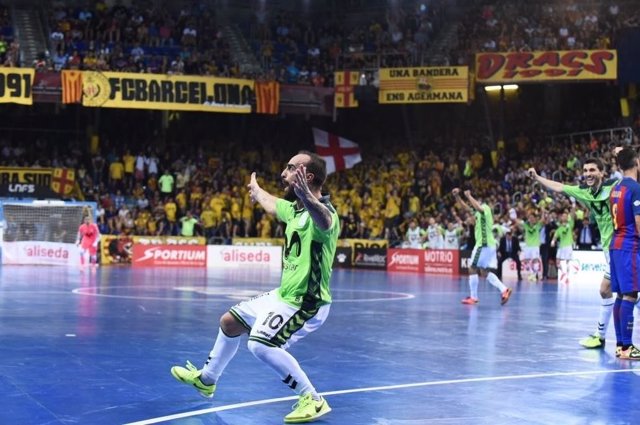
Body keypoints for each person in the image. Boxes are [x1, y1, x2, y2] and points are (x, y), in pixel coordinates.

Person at [171, 150, 338, 423]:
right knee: (229, 322)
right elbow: (273, 205)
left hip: (307, 301)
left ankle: (313, 399)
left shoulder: (324, 213)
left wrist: (307, 196)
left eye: (290, 168)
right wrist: (257, 191)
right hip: (284, 295)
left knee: (260, 344)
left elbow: (325, 221)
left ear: (307, 177)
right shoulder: (293, 209)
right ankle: (207, 379)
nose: (283, 174)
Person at [528, 156, 619, 349]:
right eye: (585, 171)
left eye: (592, 170)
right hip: (608, 249)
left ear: (602, 172)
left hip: (620, 246)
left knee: (614, 291)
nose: (588, 174)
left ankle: (601, 336)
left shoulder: (615, 186)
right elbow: (559, 187)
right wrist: (537, 178)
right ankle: (601, 337)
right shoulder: (584, 192)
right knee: (618, 291)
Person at [452, 188, 513, 305]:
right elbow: (466, 208)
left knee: (472, 268)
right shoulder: (478, 214)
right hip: (488, 245)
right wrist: (457, 197)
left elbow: (478, 207)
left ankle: (474, 297)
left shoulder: (485, 208)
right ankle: (504, 289)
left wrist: (469, 196)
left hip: (483, 245)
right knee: (484, 272)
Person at [608, 147, 640, 359]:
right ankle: (628, 347)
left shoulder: (615, 187)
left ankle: (621, 345)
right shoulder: (635, 188)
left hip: (616, 244)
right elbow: (638, 222)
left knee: (621, 294)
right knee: (631, 294)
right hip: (629, 245)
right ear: (636, 162)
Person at [550, 207, 576, 284]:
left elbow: (573, 214)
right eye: (563, 216)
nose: (564, 217)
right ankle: (563, 272)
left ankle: (567, 277)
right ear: (561, 218)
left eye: (565, 216)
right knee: (557, 261)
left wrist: (573, 206)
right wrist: (553, 241)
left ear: (567, 217)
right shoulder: (559, 228)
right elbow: (555, 236)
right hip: (561, 246)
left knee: (568, 262)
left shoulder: (570, 224)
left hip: (568, 246)